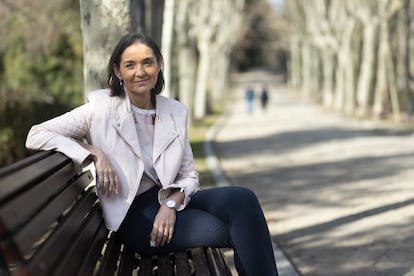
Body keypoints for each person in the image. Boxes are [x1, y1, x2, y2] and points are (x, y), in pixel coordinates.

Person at [25, 33, 278, 276]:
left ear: (159, 66)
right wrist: (93, 153)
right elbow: (36, 134)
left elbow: (189, 175)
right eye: (130, 64)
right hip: (132, 215)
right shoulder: (100, 109)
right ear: (117, 71)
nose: (140, 72)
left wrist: (170, 204)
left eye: (148, 62)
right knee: (239, 230)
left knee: (243, 199)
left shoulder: (175, 111)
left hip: (167, 199)